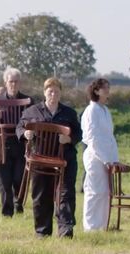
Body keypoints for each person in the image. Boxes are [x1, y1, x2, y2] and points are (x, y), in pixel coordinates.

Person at [17, 77, 82, 238]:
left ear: (60, 93)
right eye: (50, 91)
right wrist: (26, 134)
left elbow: (78, 133)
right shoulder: (32, 111)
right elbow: (19, 127)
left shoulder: (69, 113)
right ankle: (43, 231)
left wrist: (69, 138)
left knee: (65, 194)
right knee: (41, 194)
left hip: (64, 160)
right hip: (40, 159)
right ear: (44, 92)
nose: (53, 94)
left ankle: (65, 229)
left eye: (56, 91)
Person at [0, 68, 33, 217]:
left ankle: (18, 204)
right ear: (5, 82)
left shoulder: (28, 102)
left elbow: (36, 120)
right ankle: (7, 212)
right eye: (11, 82)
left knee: (18, 178)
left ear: (20, 83)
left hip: (21, 146)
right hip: (1, 147)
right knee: (4, 180)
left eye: (16, 82)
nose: (13, 85)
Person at [81, 78, 119, 231]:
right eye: (105, 88)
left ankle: (102, 226)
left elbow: (109, 136)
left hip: (107, 157)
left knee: (105, 192)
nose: (108, 91)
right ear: (96, 91)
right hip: (95, 156)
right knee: (94, 191)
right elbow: (92, 137)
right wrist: (103, 158)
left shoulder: (105, 110)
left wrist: (113, 159)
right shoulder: (91, 111)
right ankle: (90, 227)